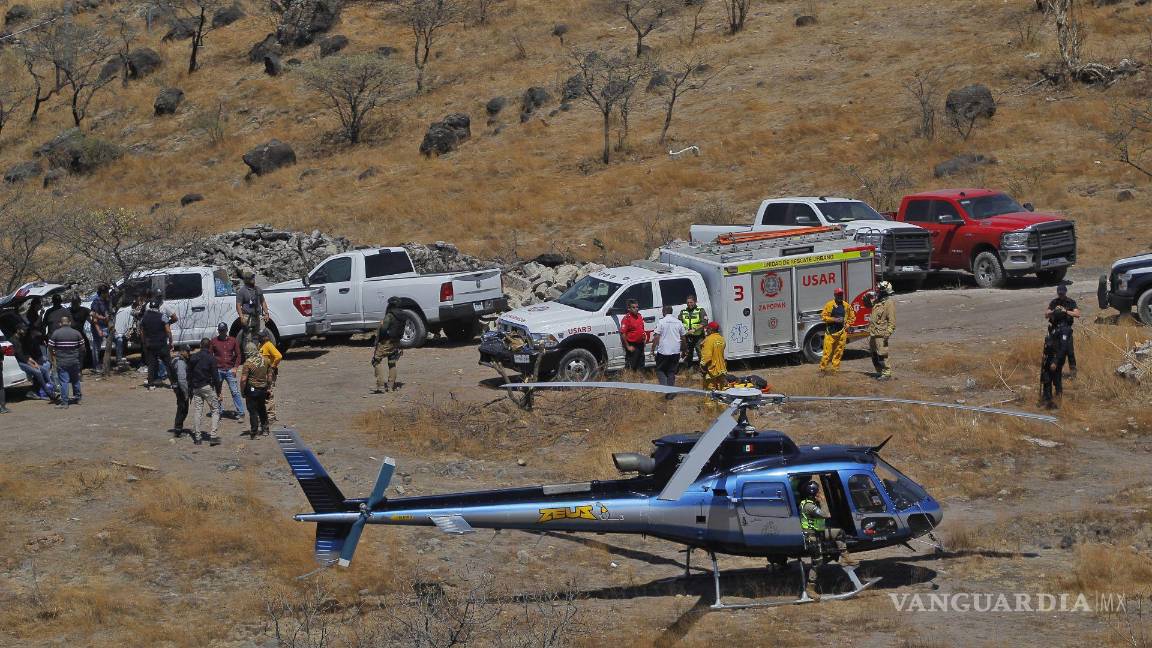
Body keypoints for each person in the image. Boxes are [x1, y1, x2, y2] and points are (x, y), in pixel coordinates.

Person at [797, 479, 852, 601]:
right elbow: (826, 514)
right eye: (818, 491)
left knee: (839, 533)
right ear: (813, 493)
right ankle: (810, 589)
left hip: (817, 533)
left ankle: (846, 558)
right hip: (811, 537)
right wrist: (822, 501)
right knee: (817, 563)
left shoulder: (807, 502)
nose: (819, 493)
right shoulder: (809, 506)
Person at [188, 337, 222, 445]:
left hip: (196, 387)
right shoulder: (211, 358)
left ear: (200, 345)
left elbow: (189, 374)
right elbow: (216, 377)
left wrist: (190, 389)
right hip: (207, 387)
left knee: (198, 412)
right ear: (210, 346)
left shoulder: (193, 357)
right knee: (215, 410)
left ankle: (197, 438)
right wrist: (219, 391)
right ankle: (213, 436)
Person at [209, 322, 245, 422]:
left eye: (223, 331)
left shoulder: (233, 341)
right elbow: (210, 356)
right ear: (218, 331)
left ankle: (241, 413)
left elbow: (238, 355)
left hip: (230, 369)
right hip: (218, 370)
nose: (222, 333)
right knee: (218, 391)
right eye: (220, 331)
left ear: (226, 330)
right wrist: (212, 369)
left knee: (235, 392)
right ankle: (219, 412)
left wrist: (236, 367)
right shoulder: (213, 341)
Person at [48, 315, 85, 408]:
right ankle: (78, 398)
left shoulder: (56, 333)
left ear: (60, 323)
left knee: (64, 382)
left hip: (62, 361)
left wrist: (53, 358)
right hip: (74, 361)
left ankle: (65, 402)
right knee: (75, 380)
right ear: (69, 323)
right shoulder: (77, 333)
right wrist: (79, 358)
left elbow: (50, 347)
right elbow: (83, 348)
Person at [371, 298, 405, 394]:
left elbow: (383, 329)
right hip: (396, 342)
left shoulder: (390, 315)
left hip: (386, 342)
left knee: (376, 361)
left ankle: (381, 385)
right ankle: (391, 386)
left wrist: (379, 339)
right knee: (392, 363)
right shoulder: (403, 315)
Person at [1045, 284, 1079, 377]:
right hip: (1056, 329)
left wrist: (1065, 311)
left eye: (1062, 294)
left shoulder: (1071, 302)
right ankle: (1056, 371)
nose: (1061, 295)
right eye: (1059, 294)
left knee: (1070, 351)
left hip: (1066, 329)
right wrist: (1054, 311)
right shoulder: (1054, 302)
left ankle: (1073, 373)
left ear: (1065, 292)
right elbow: (1046, 314)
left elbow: (1077, 314)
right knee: (1055, 350)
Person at [819, 288, 855, 373]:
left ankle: (834, 370)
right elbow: (823, 317)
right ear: (834, 295)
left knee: (838, 352)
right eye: (838, 294)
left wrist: (848, 324)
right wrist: (834, 319)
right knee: (827, 353)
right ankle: (823, 370)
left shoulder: (846, 305)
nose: (840, 296)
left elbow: (852, 317)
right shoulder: (829, 305)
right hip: (830, 333)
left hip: (842, 333)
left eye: (841, 294)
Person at [240, 342, 272, 437]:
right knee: (262, 408)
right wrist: (269, 387)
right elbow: (270, 376)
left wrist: (242, 391)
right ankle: (265, 429)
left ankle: (254, 431)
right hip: (263, 389)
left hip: (252, 390)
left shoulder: (248, 363)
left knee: (252, 410)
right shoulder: (266, 360)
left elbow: (243, 379)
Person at [139, 299, 173, 390]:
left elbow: (142, 332)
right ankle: (173, 383)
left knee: (151, 364)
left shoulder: (144, 318)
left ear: (150, 307)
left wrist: (144, 342)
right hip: (161, 344)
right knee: (168, 364)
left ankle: (151, 385)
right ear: (158, 307)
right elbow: (168, 331)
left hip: (150, 344)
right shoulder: (162, 316)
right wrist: (170, 341)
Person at [652, 304, 685, 391]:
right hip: (675, 351)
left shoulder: (661, 322)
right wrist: (684, 350)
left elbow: (656, 337)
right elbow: (683, 337)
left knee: (660, 370)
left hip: (663, 351)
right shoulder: (678, 322)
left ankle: (665, 388)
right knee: (671, 372)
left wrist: (652, 349)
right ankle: (670, 390)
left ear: (664, 312)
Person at [13, 324, 51, 400]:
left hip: (25, 360)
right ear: (18, 330)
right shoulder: (14, 340)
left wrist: (34, 362)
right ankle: (49, 393)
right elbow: (20, 356)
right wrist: (31, 364)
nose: (25, 331)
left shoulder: (22, 339)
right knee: (38, 372)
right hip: (19, 363)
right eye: (23, 330)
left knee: (44, 369)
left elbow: (26, 354)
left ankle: (50, 387)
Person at [867, 281, 896, 380]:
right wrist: (867, 296)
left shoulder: (889, 303)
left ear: (885, 291)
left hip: (881, 334)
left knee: (882, 354)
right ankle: (879, 372)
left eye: (879, 289)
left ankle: (886, 373)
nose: (877, 290)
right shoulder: (877, 301)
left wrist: (887, 334)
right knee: (874, 354)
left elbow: (892, 322)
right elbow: (866, 304)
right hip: (873, 333)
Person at [1040, 327, 1070, 409]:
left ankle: (1058, 401)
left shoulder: (1063, 329)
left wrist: (1056, 361)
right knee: (1046, 379)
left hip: (1056, 358)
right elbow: (1049, 343)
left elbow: (1063, 348)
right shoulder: (1053, 328)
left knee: (1056, 380)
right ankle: (1047, 400)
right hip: (1049, 357)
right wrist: (1045, 354)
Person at [236, 270, 270, 342]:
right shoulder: (242, 291)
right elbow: (238, 305)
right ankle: (250, 352)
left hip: (258, 315)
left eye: (253, 278)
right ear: (246, 280)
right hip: (247, 316)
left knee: (263, 335)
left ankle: (262, 352)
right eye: (251, 278)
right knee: (248, 337)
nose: (253, 279)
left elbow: (263, 301)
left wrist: (266, 313)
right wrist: (241, 317)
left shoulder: (258, 289)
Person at [678, 295, 709, 366]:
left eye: (691, 302)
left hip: (698, 336)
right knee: (688, 354)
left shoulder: (700, 310)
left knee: (700, 353)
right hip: (687, 336)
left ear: (695, 302)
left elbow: (704, 322)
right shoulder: (683, 311)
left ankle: (704, 370)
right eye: (688, 302)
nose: (689, 304)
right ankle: (689, 372)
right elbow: (678, 323)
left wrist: (694, 329)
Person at [259, 330, 282, 421]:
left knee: (269, 393)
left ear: (266, 337)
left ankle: (271, 416)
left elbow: (278, 356)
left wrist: (272, 367)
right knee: (265, 394)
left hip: (269, 373)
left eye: (261, 336)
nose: (259, 338)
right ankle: (268, 414)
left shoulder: (268, 345)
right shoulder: (261, 345)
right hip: (262, 373)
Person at [619, 300, 647, 372]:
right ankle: (631, 381)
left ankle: (640, 381)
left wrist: (643, 339)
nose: (636, 309)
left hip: (640, 345)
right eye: (634, 307)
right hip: (632, 345)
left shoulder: (639, 316)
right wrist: (628, 346)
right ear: (629, 309)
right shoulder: (626, 319)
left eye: (637, 307)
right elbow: (623, 333)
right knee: (631, 367)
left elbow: (641, 329)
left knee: (641, 365)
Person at [170, 345, 191, 436]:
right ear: (182, 351)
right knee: (182, 409)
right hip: (180, 389)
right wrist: (186, 393)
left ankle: (178, 428)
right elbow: (182, 379)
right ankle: (178, 430)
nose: (189, 353)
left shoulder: (175, 359)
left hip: (176, 387)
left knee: (182, 408)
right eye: (187, 351)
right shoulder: (180, 362)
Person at [699, 321, 727, 391]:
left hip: (711, 370)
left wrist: (702, 367)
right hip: (721, 369)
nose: (706, 330)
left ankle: (711, 402)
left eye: (707, 329)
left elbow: (707, 357)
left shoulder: (708, 340)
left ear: (711, 330)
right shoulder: (722, 339)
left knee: (710, 391)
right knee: (721, 390)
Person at [68, 295, 92, 371]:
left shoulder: (84, 310)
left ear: (79, 303)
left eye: (76, 303)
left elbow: (90, 320)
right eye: (73, 303)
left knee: (86, 348)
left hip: (80, 333)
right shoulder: (67, 310)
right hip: (70, 334)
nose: (74, 305)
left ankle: (84, 364)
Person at [90, 285, 111, 369]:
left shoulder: (108, 301)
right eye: (107, 292)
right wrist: (98, 329)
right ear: (103, 293)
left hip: (107, 326)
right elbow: (93, 314)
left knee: (119, 340)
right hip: (99, 326)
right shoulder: (96, 301)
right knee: (96, 346)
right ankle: (96, 365)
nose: (108, 293)